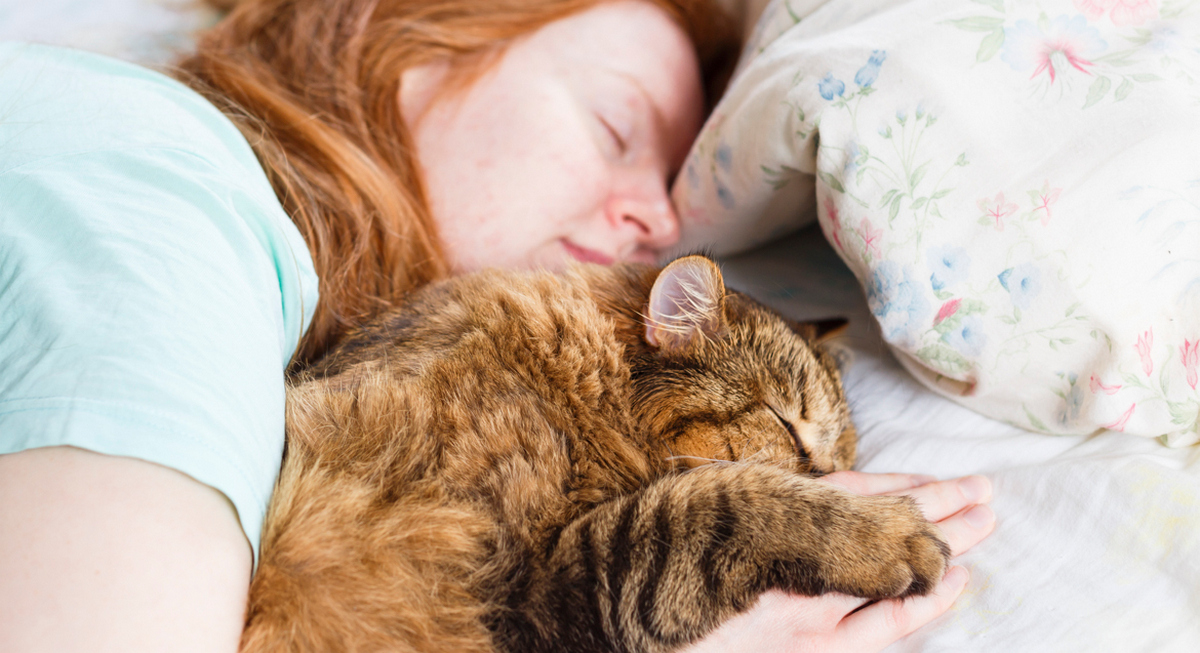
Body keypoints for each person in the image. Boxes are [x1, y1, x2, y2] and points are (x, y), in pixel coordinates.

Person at [0, 0, 995, 651]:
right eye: (615, 127)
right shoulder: (157, 186)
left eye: (670, 196)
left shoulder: (275, 315)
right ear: (410, 34)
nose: (655, 219)